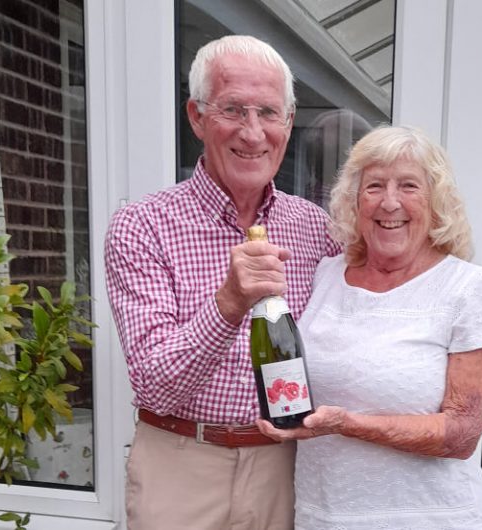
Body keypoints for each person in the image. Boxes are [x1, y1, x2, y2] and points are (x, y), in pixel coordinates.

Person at [104, 35, 340, 530]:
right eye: (233, 109)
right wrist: (229, 302)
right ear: (196, 117)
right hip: (181, 461)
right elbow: (153, 385)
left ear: (289, 123)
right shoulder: (143, 225)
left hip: (287, 465)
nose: (253, 133)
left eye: (269, 113)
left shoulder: (319, 229)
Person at [258, 125, 482, 529]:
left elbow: (461, 434)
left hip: (430, 518)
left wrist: (347, 424)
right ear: (354, 200)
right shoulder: (324, 275)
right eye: (375, 186)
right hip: (326, 516)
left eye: (409, 186)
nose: (390, 203)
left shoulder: (472, 289)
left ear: (437, 202)